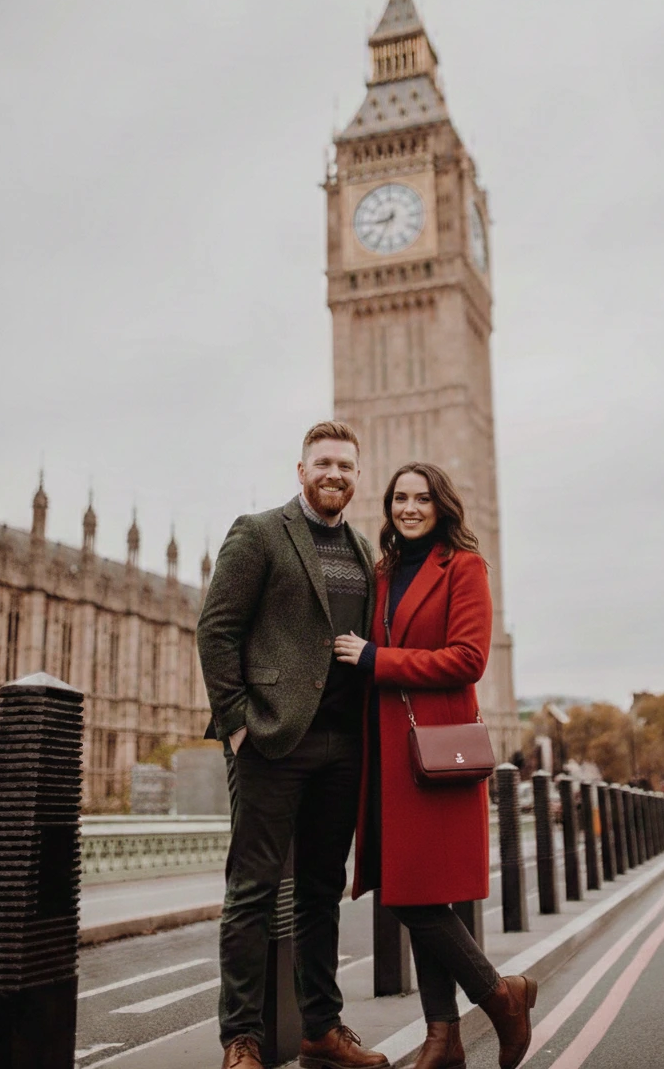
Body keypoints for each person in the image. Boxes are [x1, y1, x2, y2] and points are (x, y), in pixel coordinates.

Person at [198, 422, 389, 1069]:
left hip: (342, 744)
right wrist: (237, 724)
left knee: (319, 892)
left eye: (346, 466)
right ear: (301, 469)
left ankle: (321, 1030)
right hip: (273, 741)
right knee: (251, 892)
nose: (335, 474)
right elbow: (216, 630)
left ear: (357, 477)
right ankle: (242, 1039)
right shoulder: (259, 533)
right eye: (324, 463)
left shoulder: (365, 551)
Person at [334, 463, 537, 1069]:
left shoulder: (465, 567)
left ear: (441, 506)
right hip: (388, 756)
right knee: (413, 893)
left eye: (422, 498)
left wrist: (378, 658)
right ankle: (443, 1039)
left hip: (438, 755)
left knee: (415, 898)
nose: (410, 508)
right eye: (400, 498)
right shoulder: (383, 571)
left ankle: (501, 998)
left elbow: (468, 658)